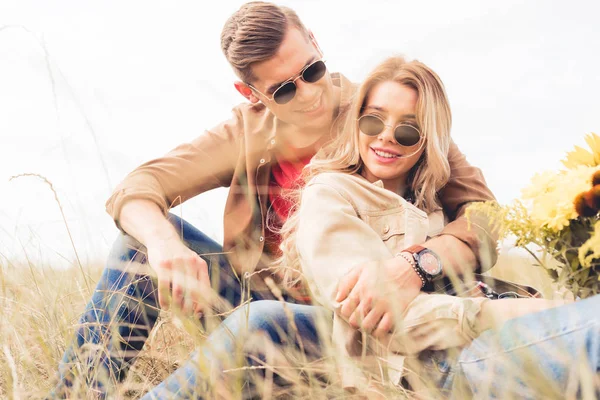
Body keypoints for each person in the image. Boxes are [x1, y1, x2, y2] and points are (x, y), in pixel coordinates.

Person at [51, 2, 499, 397]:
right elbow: (136, 187)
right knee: (139, 249)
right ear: (251, 94)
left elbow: (484, 214)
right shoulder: (244, 133)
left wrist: (418, 263)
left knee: (261, 319)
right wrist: (164, 244)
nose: (308, 94)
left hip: (355, 319)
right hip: (257, 304)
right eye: (284, 90)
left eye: (312, 71)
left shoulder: (383, 113)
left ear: (316, 44)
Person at [136, 55, 598, 399]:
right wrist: (534, 316)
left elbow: (487, 216)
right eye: (374, 120)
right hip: (445, 360)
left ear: (429, 139)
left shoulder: (434, 196)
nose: (386, 137)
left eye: (409, 130)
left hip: (504, 331)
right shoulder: (331, 194)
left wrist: (423, 260)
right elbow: (386, 321)